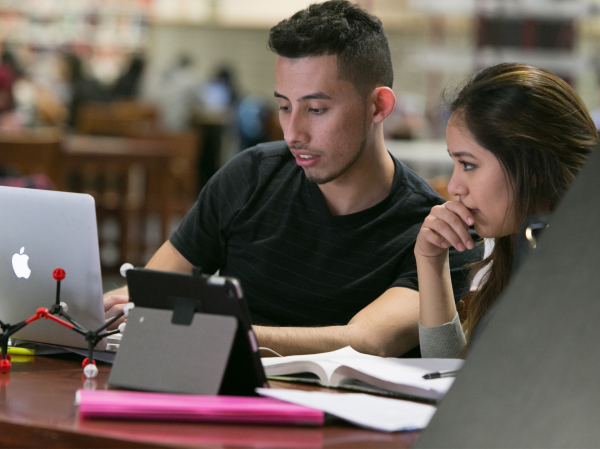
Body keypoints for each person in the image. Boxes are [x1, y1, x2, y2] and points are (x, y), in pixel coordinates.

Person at [104, 0, 479, 357]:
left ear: (378, 106)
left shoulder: (435, 232)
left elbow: (367, 342)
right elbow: (153, 290)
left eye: (316, 109)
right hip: (222, 404)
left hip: (341, 420)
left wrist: (210, 327)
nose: (292, 132)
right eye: (284, 106)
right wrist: (109, 306)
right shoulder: (251, 175)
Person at [416, 62, 598, 358]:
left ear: (534, 166)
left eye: (469, 165)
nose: (455, 186)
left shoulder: (583, 271)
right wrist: (430, 261)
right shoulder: (518, 246)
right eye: (455, 163)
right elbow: (450, 374)